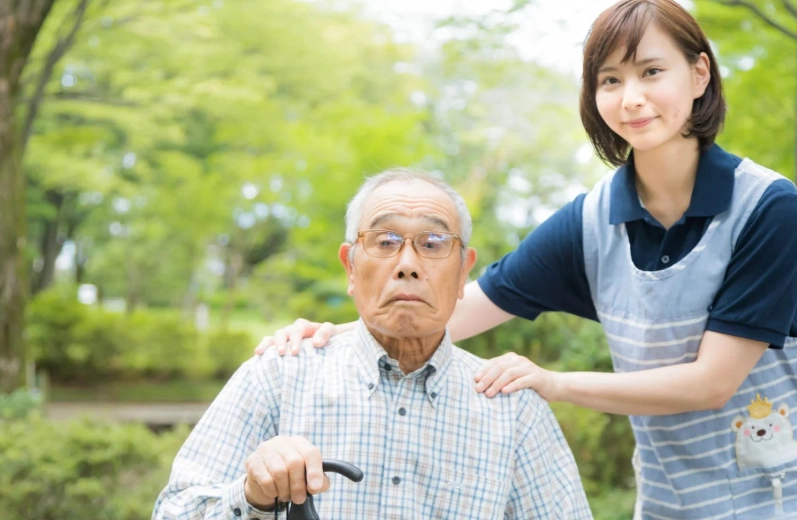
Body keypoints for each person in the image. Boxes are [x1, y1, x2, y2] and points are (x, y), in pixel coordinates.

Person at [257, 1, 797, 518]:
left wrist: (553, 382)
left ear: (699, 75)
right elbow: (448, 311)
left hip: (788, 498)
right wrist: (334, 335)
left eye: (651, 72)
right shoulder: (591, 222)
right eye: (610, 80)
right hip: (671, 503)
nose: (631, 97)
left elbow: (712, 383)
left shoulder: (766, 207)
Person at [153, 169, 592, 519]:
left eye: (433, 243)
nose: (407, 265)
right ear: (350, 266)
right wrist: (251, 496)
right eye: (385, 241)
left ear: (463, 273)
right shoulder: (279, 374)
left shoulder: (512, 410)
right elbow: (173, 512)